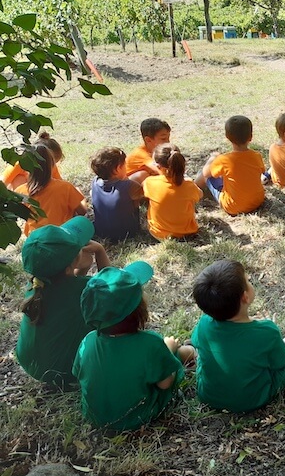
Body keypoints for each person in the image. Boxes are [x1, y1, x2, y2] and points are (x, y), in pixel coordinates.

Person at [73, 262, 195, 430]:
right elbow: (165, 384)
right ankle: (191, 353)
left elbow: (79, 374)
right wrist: (169, 349)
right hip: (138, 417)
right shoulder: (150, 343)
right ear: (139, 310)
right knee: (170, 357)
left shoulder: (88, 341)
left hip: (96, 416)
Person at [190, 260, 285, 413]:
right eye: (248, 280)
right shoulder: (267, 331)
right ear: (245, 297)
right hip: (253, 399)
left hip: (208, 395)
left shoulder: (203, 324)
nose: (250, 281)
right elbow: (280, 362)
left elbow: (196, 343)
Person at [15, 217, 109, 388]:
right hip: (64, 372)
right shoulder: (85, 289)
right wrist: (100, 252)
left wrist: (79, 268)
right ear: (68, 267)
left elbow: (66, 289)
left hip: (30, 363)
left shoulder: (36, 284)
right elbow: (114, 289)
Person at [195, 115, 266, 215]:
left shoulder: (224, 160)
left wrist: (212, 159)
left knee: (203, 173)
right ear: (250, 137)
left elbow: (206, 173)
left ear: (227, 137)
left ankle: (191, 191)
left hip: (233, 206)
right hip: (258, 201)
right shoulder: (256, 156)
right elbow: (262, 170)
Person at [17, 144, 87, 236]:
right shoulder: (66, 187)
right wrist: (83, 200)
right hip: (62, 237)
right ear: (53, 164)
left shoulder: (20, 192)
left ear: (25, 167)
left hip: (34, 240)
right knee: (94, 241)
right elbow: (82, 212)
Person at [142, 143, 203, 240]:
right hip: (187, 233)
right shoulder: (189, 185)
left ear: (158, 167)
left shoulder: (150, 182)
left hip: (159, 234)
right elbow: (200, 195)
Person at [90, 147, 143, 242]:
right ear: (118, 168)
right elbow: (146, 196)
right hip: (126, 233)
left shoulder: (94, 181)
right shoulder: (130, 186)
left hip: (101, 231)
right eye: (125, 165)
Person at [126, 118, 171, 184]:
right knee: (142, 175)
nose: (168, 142)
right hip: (126, 188)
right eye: (163, 139)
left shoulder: (159, 151)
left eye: (168, 137)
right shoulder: (140, 154)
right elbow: (160, 171)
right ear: (148, 140)